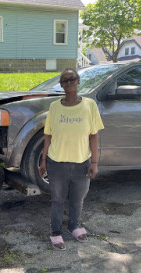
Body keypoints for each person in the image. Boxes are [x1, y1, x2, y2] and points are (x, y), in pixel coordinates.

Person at [39, 68, 104, 251]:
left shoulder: (89, 105)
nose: (69, 83)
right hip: (56, 163)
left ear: (78, 81)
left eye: (72, 79)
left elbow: (94, 135)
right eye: (65, 80)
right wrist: (43, 160)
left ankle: (73, 226)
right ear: (61, 85)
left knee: (78, 199)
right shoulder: (54, 107)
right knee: (58, 200)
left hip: (81, 163)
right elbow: (48, 136)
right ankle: (56, 232)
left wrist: (94, 162)